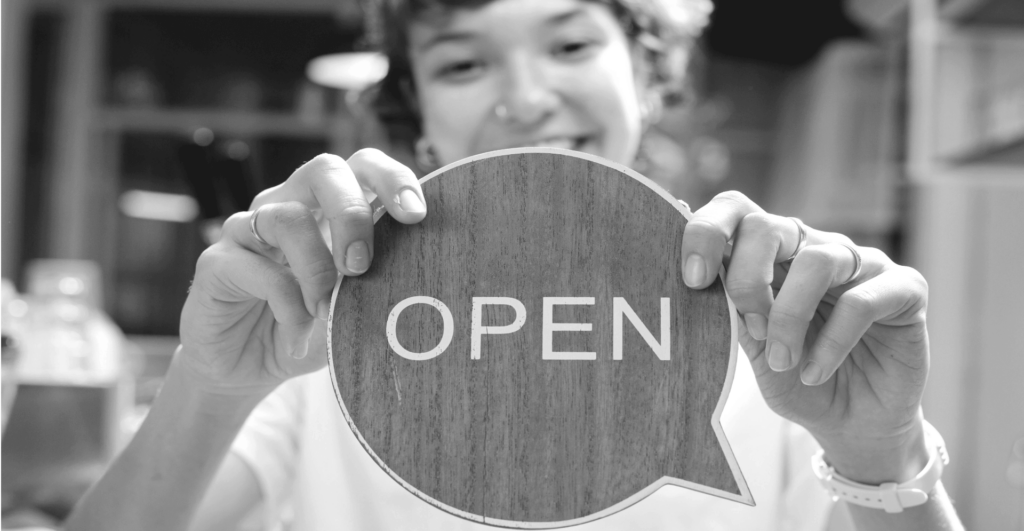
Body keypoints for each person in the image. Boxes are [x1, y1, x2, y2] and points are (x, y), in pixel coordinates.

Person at [65, 0, 964, 530]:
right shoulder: (325, 329)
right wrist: (213, 380)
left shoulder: (773, 330)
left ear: (651, 75)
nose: (527, 100)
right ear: (416, 113)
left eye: (571, 45)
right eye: (464, 64)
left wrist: (881, 452)